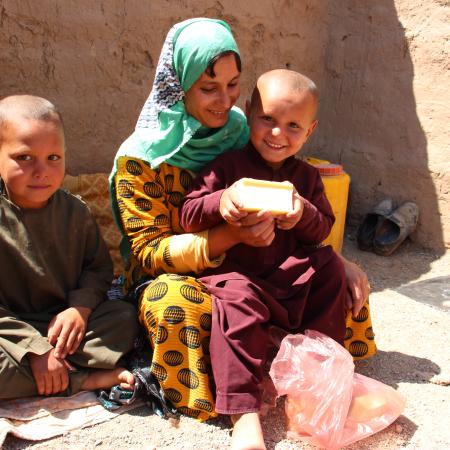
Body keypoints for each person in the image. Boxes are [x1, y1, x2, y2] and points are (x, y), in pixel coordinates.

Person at [109, 17, 375, 439]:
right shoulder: (145, 159)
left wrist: (337, 259)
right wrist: (231, 230)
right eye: (208, 87)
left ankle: (318, 381)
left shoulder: (239, 132)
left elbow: (316, 222)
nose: (223, 101)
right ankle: (240, 409)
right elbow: (153, 248)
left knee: (331, 278)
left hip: (271, 262)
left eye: (233, 85)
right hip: (192, 270)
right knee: (181, 305)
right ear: (179, 85)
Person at [180, 69, 353, 447]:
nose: (278, 134)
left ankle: (316, 383)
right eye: (268, 119)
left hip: (289, 276)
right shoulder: (226, 168)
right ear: (248, 112)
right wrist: (223, 201)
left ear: (310, 131)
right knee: (237, 301)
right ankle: (243, 414)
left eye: (293, 126)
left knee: (331, 269)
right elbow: (188, 215)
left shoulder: (306, 178)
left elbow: (322, 228)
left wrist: (301, 213)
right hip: (240, 275)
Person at [0, 95, 138, 399]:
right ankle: (83, 379)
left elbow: (98, 268)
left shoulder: (75, 211)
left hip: (66, 329)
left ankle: (53, 372)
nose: (42, 171)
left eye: (53, 158)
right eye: (24, 158)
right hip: (9, 332)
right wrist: (34, 351)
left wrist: (80, 309)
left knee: (126, 320)